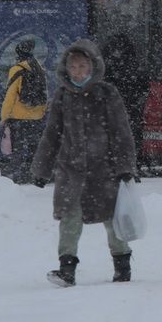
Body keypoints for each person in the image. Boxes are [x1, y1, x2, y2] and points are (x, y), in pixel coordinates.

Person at [31, 39, 137, 288]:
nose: (78, 71)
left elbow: (122, 132)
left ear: (92, 66)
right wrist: (41, 169)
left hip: (105, 171)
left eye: (82, 66)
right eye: (73, 67)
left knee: (113, 221)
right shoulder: (62, 96)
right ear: (66, 69)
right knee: (70, 219)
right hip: (71, 172)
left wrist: (124, 167)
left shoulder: (107, 94)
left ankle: (122, 266)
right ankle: (66, 270)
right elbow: (52, 134)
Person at [0, 39, 48, 185]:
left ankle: (13, 179)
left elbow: (10, 95)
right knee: (35, 149)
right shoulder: (39, 68)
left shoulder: (17, 69)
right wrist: (41, 111)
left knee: (18, 149)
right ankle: (36, 178)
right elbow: (45, 92)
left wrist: (4, 116)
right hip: (37, 116)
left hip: (18, 117)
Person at [102, 32, 150, 169]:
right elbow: (144, 86)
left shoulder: (106, 67)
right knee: (132, 137)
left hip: (114, 108)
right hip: (131, 108)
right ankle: (132, 165)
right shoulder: (134, 66)